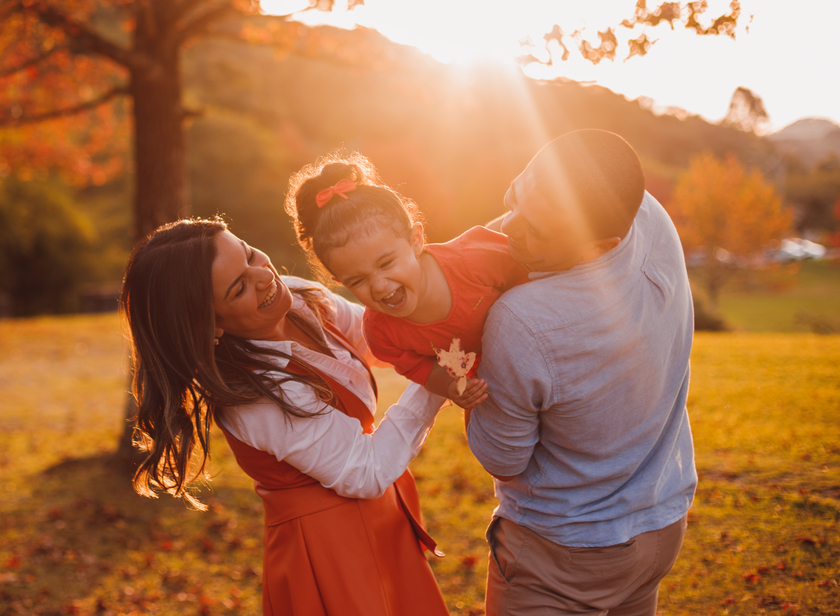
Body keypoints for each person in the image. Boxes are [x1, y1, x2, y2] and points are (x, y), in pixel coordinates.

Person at [121, 218, 468, 616]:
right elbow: (366, 471)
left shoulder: (303, 299)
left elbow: (384, 337)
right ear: (210, 324)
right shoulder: (253, 396)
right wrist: (440, 376)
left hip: (385, 520)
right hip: (331, 550)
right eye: (239, 287)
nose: (263, 276)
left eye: (250, 254)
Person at [466, 129, 697, 616]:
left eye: (537, 232)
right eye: (515, 199)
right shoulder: (648, 215)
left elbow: (504, 457)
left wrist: (463, 373)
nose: (509, 229)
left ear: (599, 244)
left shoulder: (522, 319)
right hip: (660, 522)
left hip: (562, 552)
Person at [285, 152, 530, 404]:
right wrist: (452, 387)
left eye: (386, 263)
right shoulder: (380, 332)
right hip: (488, 389)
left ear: (415, 241)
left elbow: (536, 279)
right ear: (339, 281)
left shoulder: (473, 259)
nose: (379, 285)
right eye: (357, 280)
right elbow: (419, 369)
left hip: (536, 353)